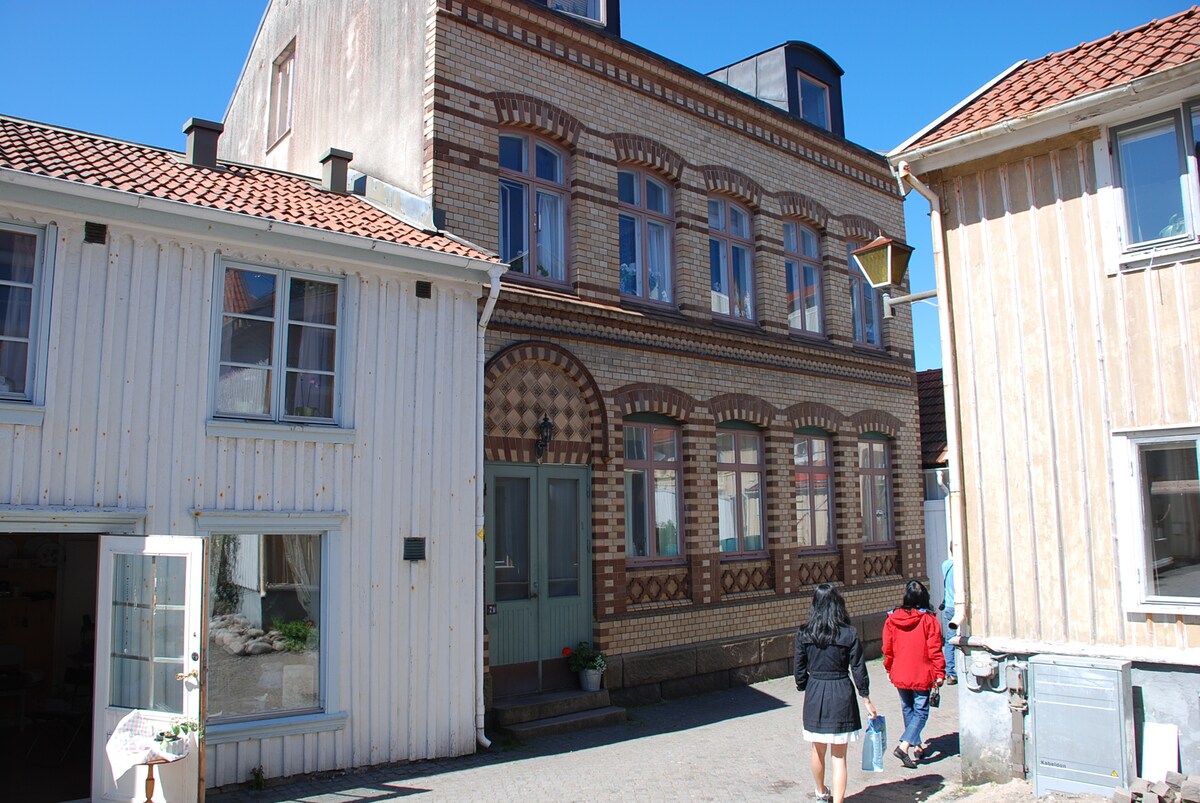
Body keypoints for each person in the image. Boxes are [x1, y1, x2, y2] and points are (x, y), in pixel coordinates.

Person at [795, 584, 878, 803]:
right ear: (837, 604)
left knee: (817, 750)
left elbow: (799, 669)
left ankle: (821, 792)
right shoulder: (849, 633)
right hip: (841, 691)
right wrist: (866, 697)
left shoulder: (805, 633)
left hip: (815, 692)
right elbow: (858, 668)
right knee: (839, 757)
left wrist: (805, 685)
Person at [882, 579, 946, 769]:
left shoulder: (892, 618)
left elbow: (887, 647)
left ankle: (916, 745)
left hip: (900, 671)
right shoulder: (928, 620)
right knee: (921, 711)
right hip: (921, 672)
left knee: (907, 708)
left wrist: (888, 667)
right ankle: (904, 746)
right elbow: (935, 649)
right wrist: (940, 672)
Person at [940, 546, 957, 684]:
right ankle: (952, 671)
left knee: (949, 639)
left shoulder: (946, 565)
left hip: (949, 606)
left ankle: (950, 672)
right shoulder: (960, 567)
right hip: (958, 606)